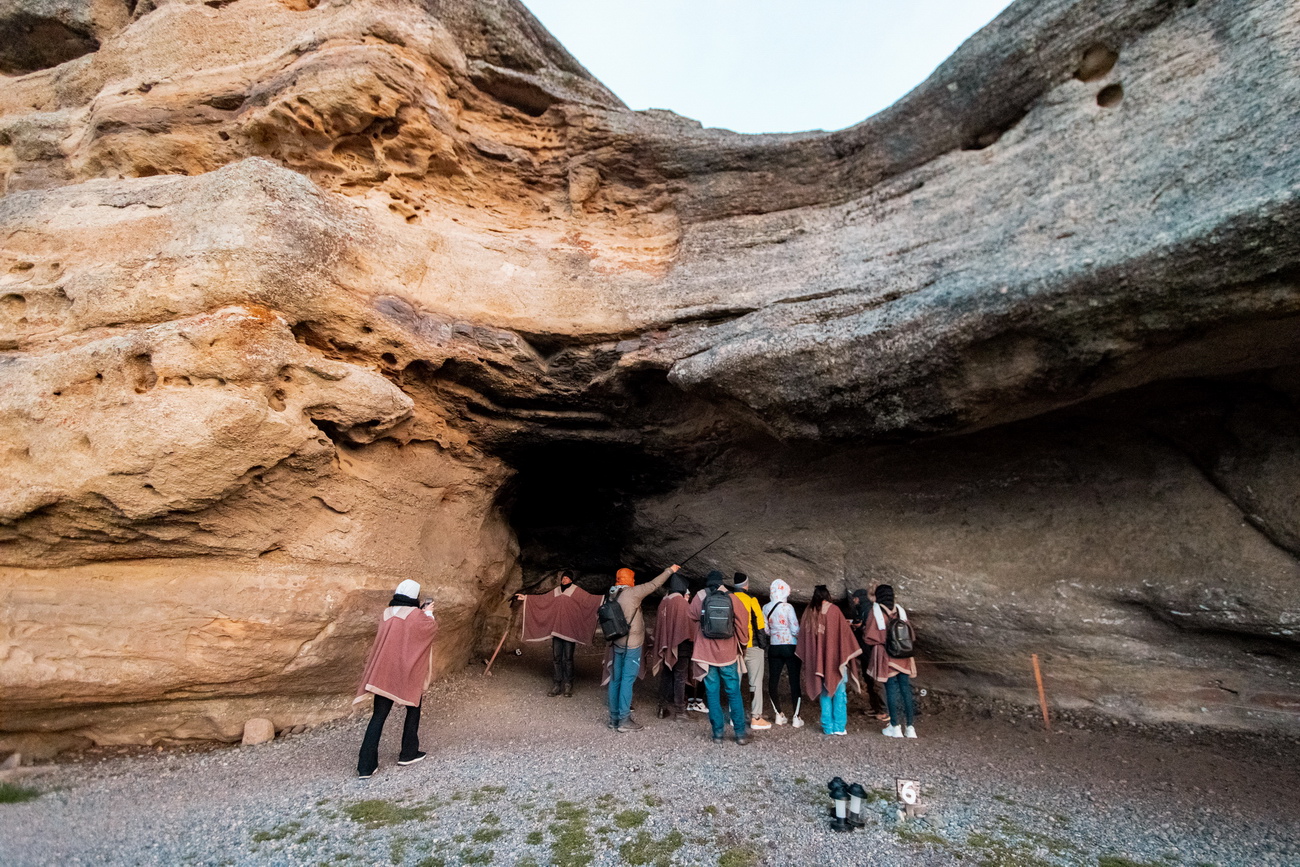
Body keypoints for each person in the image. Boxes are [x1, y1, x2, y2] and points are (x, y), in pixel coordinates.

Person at [354, 579, 440, 778]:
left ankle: (365, 765)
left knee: (378, 716)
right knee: (413, 705)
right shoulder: (416, 615)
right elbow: (429, 629)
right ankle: (408, 752)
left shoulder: (386, 613)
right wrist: (428, 612)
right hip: (405, 669)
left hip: (384, 670)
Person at [605, 563, 680, 732]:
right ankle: (624, 719)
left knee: (615, 679)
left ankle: (613, 718)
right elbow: (654, 584)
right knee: (627, 680)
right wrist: (670, 570)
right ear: (629, 579)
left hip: (616, 643)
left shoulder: (612, 594)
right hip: (631, 645)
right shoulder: (632, 593)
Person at [515, 569, 602, 697]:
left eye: (567, 578)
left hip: (570, 632)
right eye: (563, 578)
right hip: (557, 631)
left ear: (571, 580)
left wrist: (606, 599)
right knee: (556, 658)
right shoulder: (556, 591)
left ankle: (568, 685)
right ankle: (557, 684)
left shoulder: (576, 591)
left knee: (567, 659)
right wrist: (526, 598)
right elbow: (543, 599)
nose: (564, 580)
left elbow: (590, 600)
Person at [688, 571, 751, 745]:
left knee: (712, 693)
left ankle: (717, 734)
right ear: (722, 582)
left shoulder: (700, 595)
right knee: (733, 692)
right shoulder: (732, 597)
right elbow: (742, 621)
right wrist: (743, 643)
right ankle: (740, 734)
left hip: (706, 654)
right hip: (728, 653)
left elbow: (692, 615)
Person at [796, 585, 861, 736]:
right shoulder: (834, 611)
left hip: (817, 661)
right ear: (827, 596)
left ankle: (827, 727)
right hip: (835, 660)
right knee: (839, 691)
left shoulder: (809, 612)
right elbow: (844, 635)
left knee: (825, 691)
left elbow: (804, 638)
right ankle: (839, 726)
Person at [861, 583, 919, 738]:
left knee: (891, 689)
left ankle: (894, 726)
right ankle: (910, 727)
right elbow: (911, 634)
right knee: (905, 689)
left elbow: (869, 637)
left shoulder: (876, 611)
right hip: (904, 655)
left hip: (886, 655)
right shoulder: (901, 611)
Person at [730, 573, 772, 731]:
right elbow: (759, 624)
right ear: (746, 585)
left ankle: (735, 716)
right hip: (752, 647)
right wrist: (763, 646)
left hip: (734, 647)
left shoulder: (729, 599)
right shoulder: (752, 600)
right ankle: (756, 718)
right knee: (755, 683)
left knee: (734, 682)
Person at [650, 572, 693, 720]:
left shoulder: (663, 602)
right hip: (681, 646)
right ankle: (680, 711)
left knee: (666, 675)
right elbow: (689, 626)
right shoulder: (681, 603)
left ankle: (661, 709)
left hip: (666, 645)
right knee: (680, 676)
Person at [762, 578, 802, 727]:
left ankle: (779, 715)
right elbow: (795, 629)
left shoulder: (765, 607)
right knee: (794, 681)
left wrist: (775, 633)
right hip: (790, 646)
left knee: (773, 680)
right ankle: (796, 717)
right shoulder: (788, 607)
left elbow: (766, 630)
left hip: (774, 646)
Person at [849, 587, 890, 722]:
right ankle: (875, 707)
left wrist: (859, 627)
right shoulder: (863, 609)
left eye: (855, 598)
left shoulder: (870, 610)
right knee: (869, 679)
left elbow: (870, 631)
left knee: (875, 680)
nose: (854, 601)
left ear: (859, 598)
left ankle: (883, 710)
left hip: (872, 651)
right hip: (866, 651)